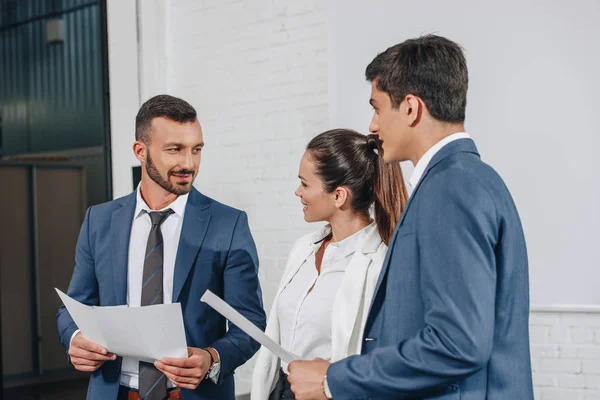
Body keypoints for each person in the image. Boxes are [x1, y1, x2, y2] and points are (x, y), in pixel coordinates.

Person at [287, 35, 534, 399]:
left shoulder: (451, 188)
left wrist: (333, 379)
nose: (372, 126)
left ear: (410, 108)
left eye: (377, 107)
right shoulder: (470, 179)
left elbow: (457, 343)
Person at [56, 94, 266, 400]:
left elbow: (249, 322)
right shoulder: (99, 221)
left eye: (196, 150)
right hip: (114, 393)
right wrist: (74, 338)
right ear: (141, 151)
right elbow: (74, 308)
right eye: (174, 150)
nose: (189, 163)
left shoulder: (228, 224)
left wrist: (212, 358)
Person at [252, 129, 408, 400]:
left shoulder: (380, 263)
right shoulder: (303, 248)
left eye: (305, 183)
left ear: (338, 196)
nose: (297, 192)